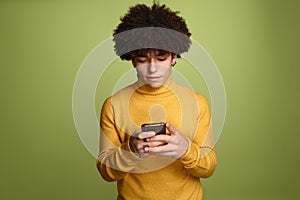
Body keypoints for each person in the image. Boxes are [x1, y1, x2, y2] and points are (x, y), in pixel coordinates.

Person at [96, 3, 217, 200]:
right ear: (132, 59)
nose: (153, 69)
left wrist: (184, 150)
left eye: (161, 58)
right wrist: (131, 149)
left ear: (174, 57)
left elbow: (208, 167)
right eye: (143, 60)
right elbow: (105, 171)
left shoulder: (197, 103)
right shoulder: (113, 106)